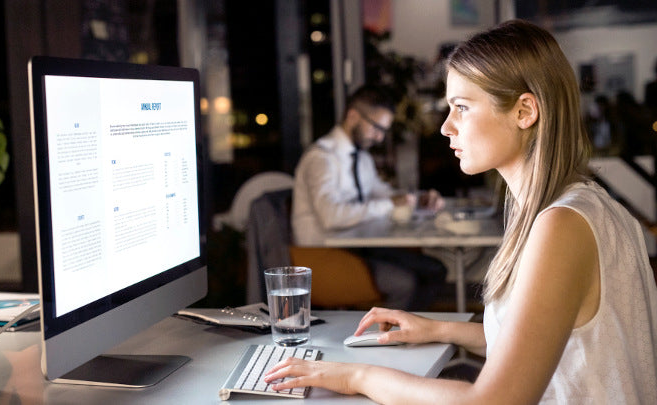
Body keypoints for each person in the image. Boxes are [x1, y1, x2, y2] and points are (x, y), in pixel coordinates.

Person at [267, 19, 657, 403]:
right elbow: (542, 341)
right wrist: (437, 329)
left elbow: (495, 400)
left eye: (462, 107)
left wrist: (355, 376)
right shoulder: (578, 204)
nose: (446, 127)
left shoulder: (563, 224)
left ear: (525, 112)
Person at [291, 84, 447, 311]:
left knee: (434, 269)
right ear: (353, 116)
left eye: (384, 130)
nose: (380, 137)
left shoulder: (361, 157)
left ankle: (406, 334)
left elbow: (382, 192)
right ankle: (385, 339)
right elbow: (331, 217)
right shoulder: (321, 158)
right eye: (376, 128)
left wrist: (417, 198)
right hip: (326, 256)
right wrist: (388, 204)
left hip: (358, 247)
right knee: (406, 282)